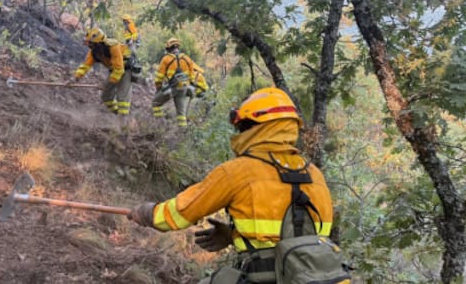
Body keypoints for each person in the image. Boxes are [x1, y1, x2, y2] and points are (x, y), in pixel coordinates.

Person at [128, 87, 334, 284]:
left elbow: (182, 212)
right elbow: (297, 238)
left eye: (242, 126)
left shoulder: (239, 171)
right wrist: (233, 234)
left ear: (254, 127)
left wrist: (147, 213)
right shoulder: (316, 176)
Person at [70, 28, 133, 117]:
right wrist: (74, 78)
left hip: (126, 70)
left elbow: (119, 70)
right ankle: (117, 115)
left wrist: (107, 84)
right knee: (106, 97)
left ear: (98, 43)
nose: (88, 45)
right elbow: (85, 66)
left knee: (122, 99)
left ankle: (124, 125)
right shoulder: (94, 52)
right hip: (114, 70)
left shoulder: (113, 47)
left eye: (90, 43)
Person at [152, 38, 208, 127]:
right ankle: (182, 133)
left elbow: (159, 78)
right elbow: (192, 77)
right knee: (181, 115)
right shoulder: (187, 58)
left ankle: (159, 125)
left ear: (169, 49)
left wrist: (158, 88)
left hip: (171, 88)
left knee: (155, 103)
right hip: (183, 89)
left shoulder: (166, 59)